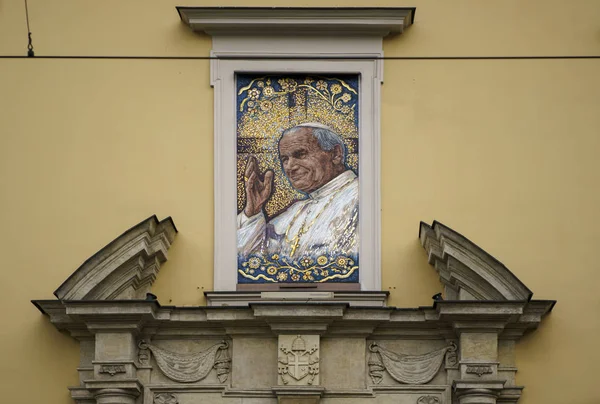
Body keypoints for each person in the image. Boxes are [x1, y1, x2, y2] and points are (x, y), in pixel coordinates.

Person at [237, 123, 358, 262]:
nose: (290, 167)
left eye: (300, 154)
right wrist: (252, 211)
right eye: (285, 159)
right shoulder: (295, 211)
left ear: (336, 154)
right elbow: (248, 260)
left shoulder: (362, 198)